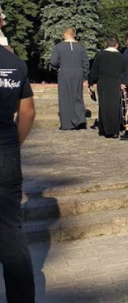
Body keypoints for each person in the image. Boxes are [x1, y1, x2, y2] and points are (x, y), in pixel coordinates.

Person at [0, 41, 36, 302]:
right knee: (11, 232)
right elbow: (28, 112)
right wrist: (15, 144)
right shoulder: (15, 64)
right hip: (6, 153)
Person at [49, 27, 90, 130]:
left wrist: (60, 65)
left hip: (64, 72)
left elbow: (53, 62)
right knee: (77, 96)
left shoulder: (59, 47)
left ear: (65, 34)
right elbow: (86, 63)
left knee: (65, 97)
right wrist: (84, 74)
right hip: (78, 72)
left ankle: (67, 124)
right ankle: (80, 120)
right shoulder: (80, 47)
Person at [88, 37, 125, 138]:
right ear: (116, 45)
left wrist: (91, 82)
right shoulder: (121, 56)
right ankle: (115, 129)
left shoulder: (100, 55)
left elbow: (94, 70)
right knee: (115, 105)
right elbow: (124, 71)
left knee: (104, 105)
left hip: (103, 82)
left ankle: (104, 129)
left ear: (106, 44)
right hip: (116, 82)